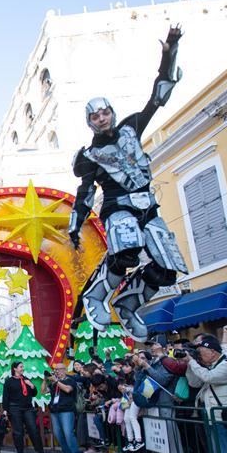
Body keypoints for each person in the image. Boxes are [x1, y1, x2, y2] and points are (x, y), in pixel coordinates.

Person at [69, 25, 188, 342]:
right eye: (95, 116)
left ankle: (128, 303)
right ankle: (95, 295)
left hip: (147, 205)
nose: (102, 118)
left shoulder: (131, 127)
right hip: (117, 207)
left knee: (167, 269)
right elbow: (85, 193)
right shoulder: (90, 155)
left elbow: (158, 95)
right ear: (89, 122)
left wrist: (170, 51)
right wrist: (75, 227)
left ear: (112, 113)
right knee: (127, 252)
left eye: (105, 112)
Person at [2, 362, 46, 453]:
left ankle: (40, 451)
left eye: (22, 367)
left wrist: (31, 385)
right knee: (18, 431)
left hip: (28, 408)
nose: (23, 368)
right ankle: (20, 452)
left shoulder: (26, 379)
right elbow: (5, 396)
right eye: (21, 367)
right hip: (14, 408)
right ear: (15, 369)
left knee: (33, 429)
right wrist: (5, 409)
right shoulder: (9, 381)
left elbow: (34, 393)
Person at [49, 363, 82, 453]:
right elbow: (43, 391)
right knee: (58, 434)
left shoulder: (70, 380)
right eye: (55, 370)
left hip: (67, 410)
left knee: (68, 433)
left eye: (59, 369)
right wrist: (45, 380)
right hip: (55, 411)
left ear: (65, 370)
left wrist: (56, 381)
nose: (57, 371)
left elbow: (68, 389)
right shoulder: (54, 382)